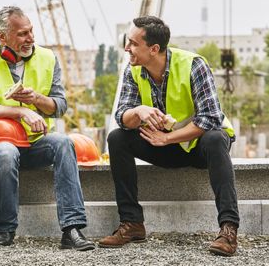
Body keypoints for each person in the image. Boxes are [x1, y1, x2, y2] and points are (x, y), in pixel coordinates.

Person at [99, 16, 239, 256]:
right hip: (164, 146)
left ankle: (228, 229)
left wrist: (167, 138)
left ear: (154, 49)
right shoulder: (132, 71)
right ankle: (132, 223)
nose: (126, 48)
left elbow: (210, 119)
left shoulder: (194, 65)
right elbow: (122, 116)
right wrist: (138, 111)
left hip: (199, 147)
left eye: (132, 43)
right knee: (117, 138)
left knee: (216, 138)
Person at [0, 6, 95, 251]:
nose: (31, 38)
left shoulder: (48, 58)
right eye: (22, 34)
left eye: (31, 31)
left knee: (64, 143)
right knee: (6, 153)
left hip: (34, 142)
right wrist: (20, 111)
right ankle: (5, 228)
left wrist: (36, 99)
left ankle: (72, 229)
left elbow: (59, 106)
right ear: (2, 37)